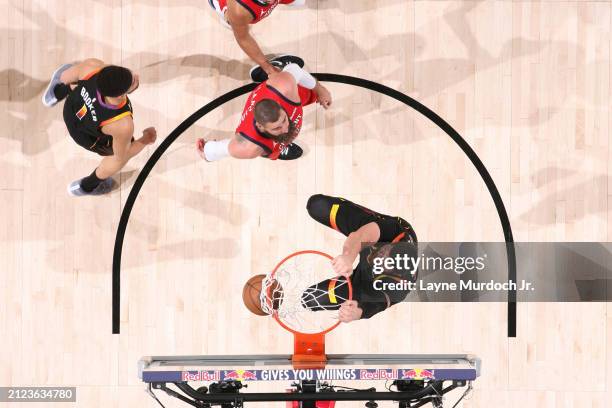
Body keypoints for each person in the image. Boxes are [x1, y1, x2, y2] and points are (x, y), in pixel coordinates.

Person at [41, 59, 156, 196]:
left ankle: (54, 95)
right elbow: (120, 157)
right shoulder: (122, 124)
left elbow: (63, 76)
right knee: (120, 156)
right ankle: (86, 187)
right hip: (86, 137)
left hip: (70, 110)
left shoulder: (92, 67)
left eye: (130, 74)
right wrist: (145, 139)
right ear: (120, 95)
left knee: (73, 77)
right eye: (133, 82)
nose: (136, 76)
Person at [303, 194, 418, 322]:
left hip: (366, 281)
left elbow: (375, 306)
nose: (380, 256)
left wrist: (357, 312)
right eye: (385, 252)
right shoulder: (397, 232)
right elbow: (360, 235)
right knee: (317, 205)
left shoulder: (399, 289)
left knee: (310, 299)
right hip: (370, 232)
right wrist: (348, 256)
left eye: (383, 262)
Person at [197, 63, 331, 161]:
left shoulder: (285, 87)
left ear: (279, 105)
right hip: (260, 139)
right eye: (277, 128)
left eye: (284, 120)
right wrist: (208, 151)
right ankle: (280, 150)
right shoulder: (250, 147)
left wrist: (320, 89)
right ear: (261, 127)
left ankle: (275, 67)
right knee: (272, 152)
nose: (285, 128)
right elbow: (224, 148)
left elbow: (296, 69)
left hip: (276, 88)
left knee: (307, 91)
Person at [207, 0, 306, 77]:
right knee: (235, 23)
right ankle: (229, 20)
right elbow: (243, 38)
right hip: (236, 10)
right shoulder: (239, 10)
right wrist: (268, 68)